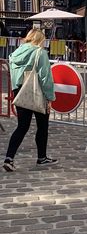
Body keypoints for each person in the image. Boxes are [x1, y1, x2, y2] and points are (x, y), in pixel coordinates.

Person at [3, 29, 57, 172]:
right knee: (42, 126)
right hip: (37, 92)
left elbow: (14, 76)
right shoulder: (40, 53)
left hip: (20, 91)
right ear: (40, 39)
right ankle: (41, 157)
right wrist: (50, 97)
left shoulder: (15, 53)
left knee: (22, 126)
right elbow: (45, 78)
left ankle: (9, 158)